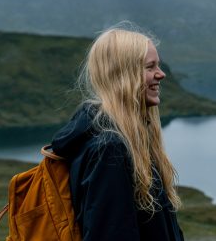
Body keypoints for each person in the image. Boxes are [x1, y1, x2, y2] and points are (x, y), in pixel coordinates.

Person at [51, 27, 184, 240]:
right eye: (150, 67)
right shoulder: (110, 148)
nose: (161, 74)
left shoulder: (131, 138)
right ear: (122, 75)